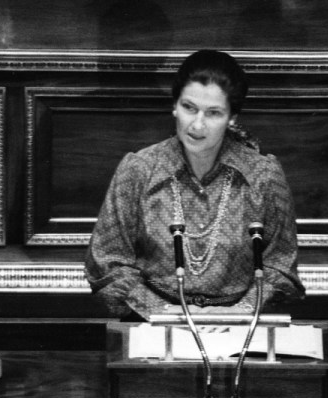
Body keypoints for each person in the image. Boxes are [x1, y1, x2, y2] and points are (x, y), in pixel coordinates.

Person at [84, 49, 304, 321]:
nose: (197, 125)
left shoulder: (263, 174)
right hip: (151, 323)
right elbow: (108, 263)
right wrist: (165, 314)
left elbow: (280, 267)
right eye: (189, 108)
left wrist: (238, 313)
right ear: (174, 105)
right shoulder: (139, 169)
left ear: (232, 117)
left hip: (239, 327)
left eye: (213, 113)